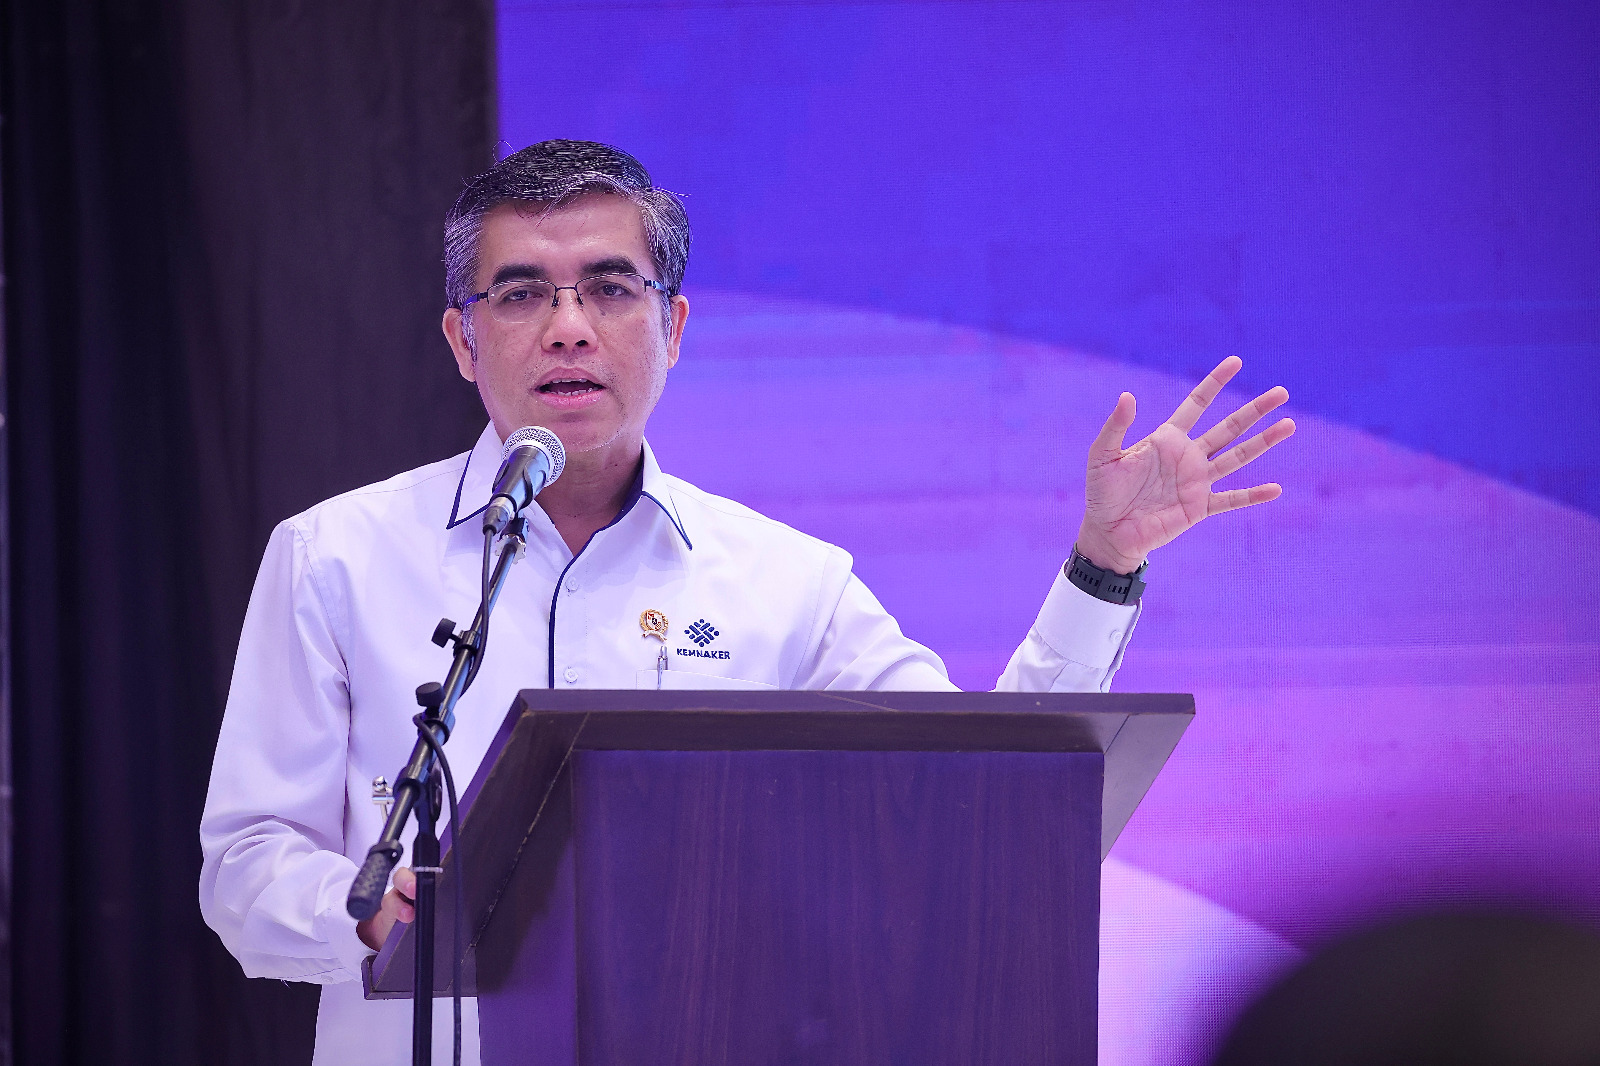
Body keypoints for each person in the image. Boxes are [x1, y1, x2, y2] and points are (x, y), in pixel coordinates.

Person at [199, 140, 1294, 1065]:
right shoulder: (336, 556)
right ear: (461, 339)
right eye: (522, 293)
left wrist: (1101, 564)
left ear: (674, 328)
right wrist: (370, 914)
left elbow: (986, 797)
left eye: (610, 288)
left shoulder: (786, 582)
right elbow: (246, 865)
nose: (568, 327)